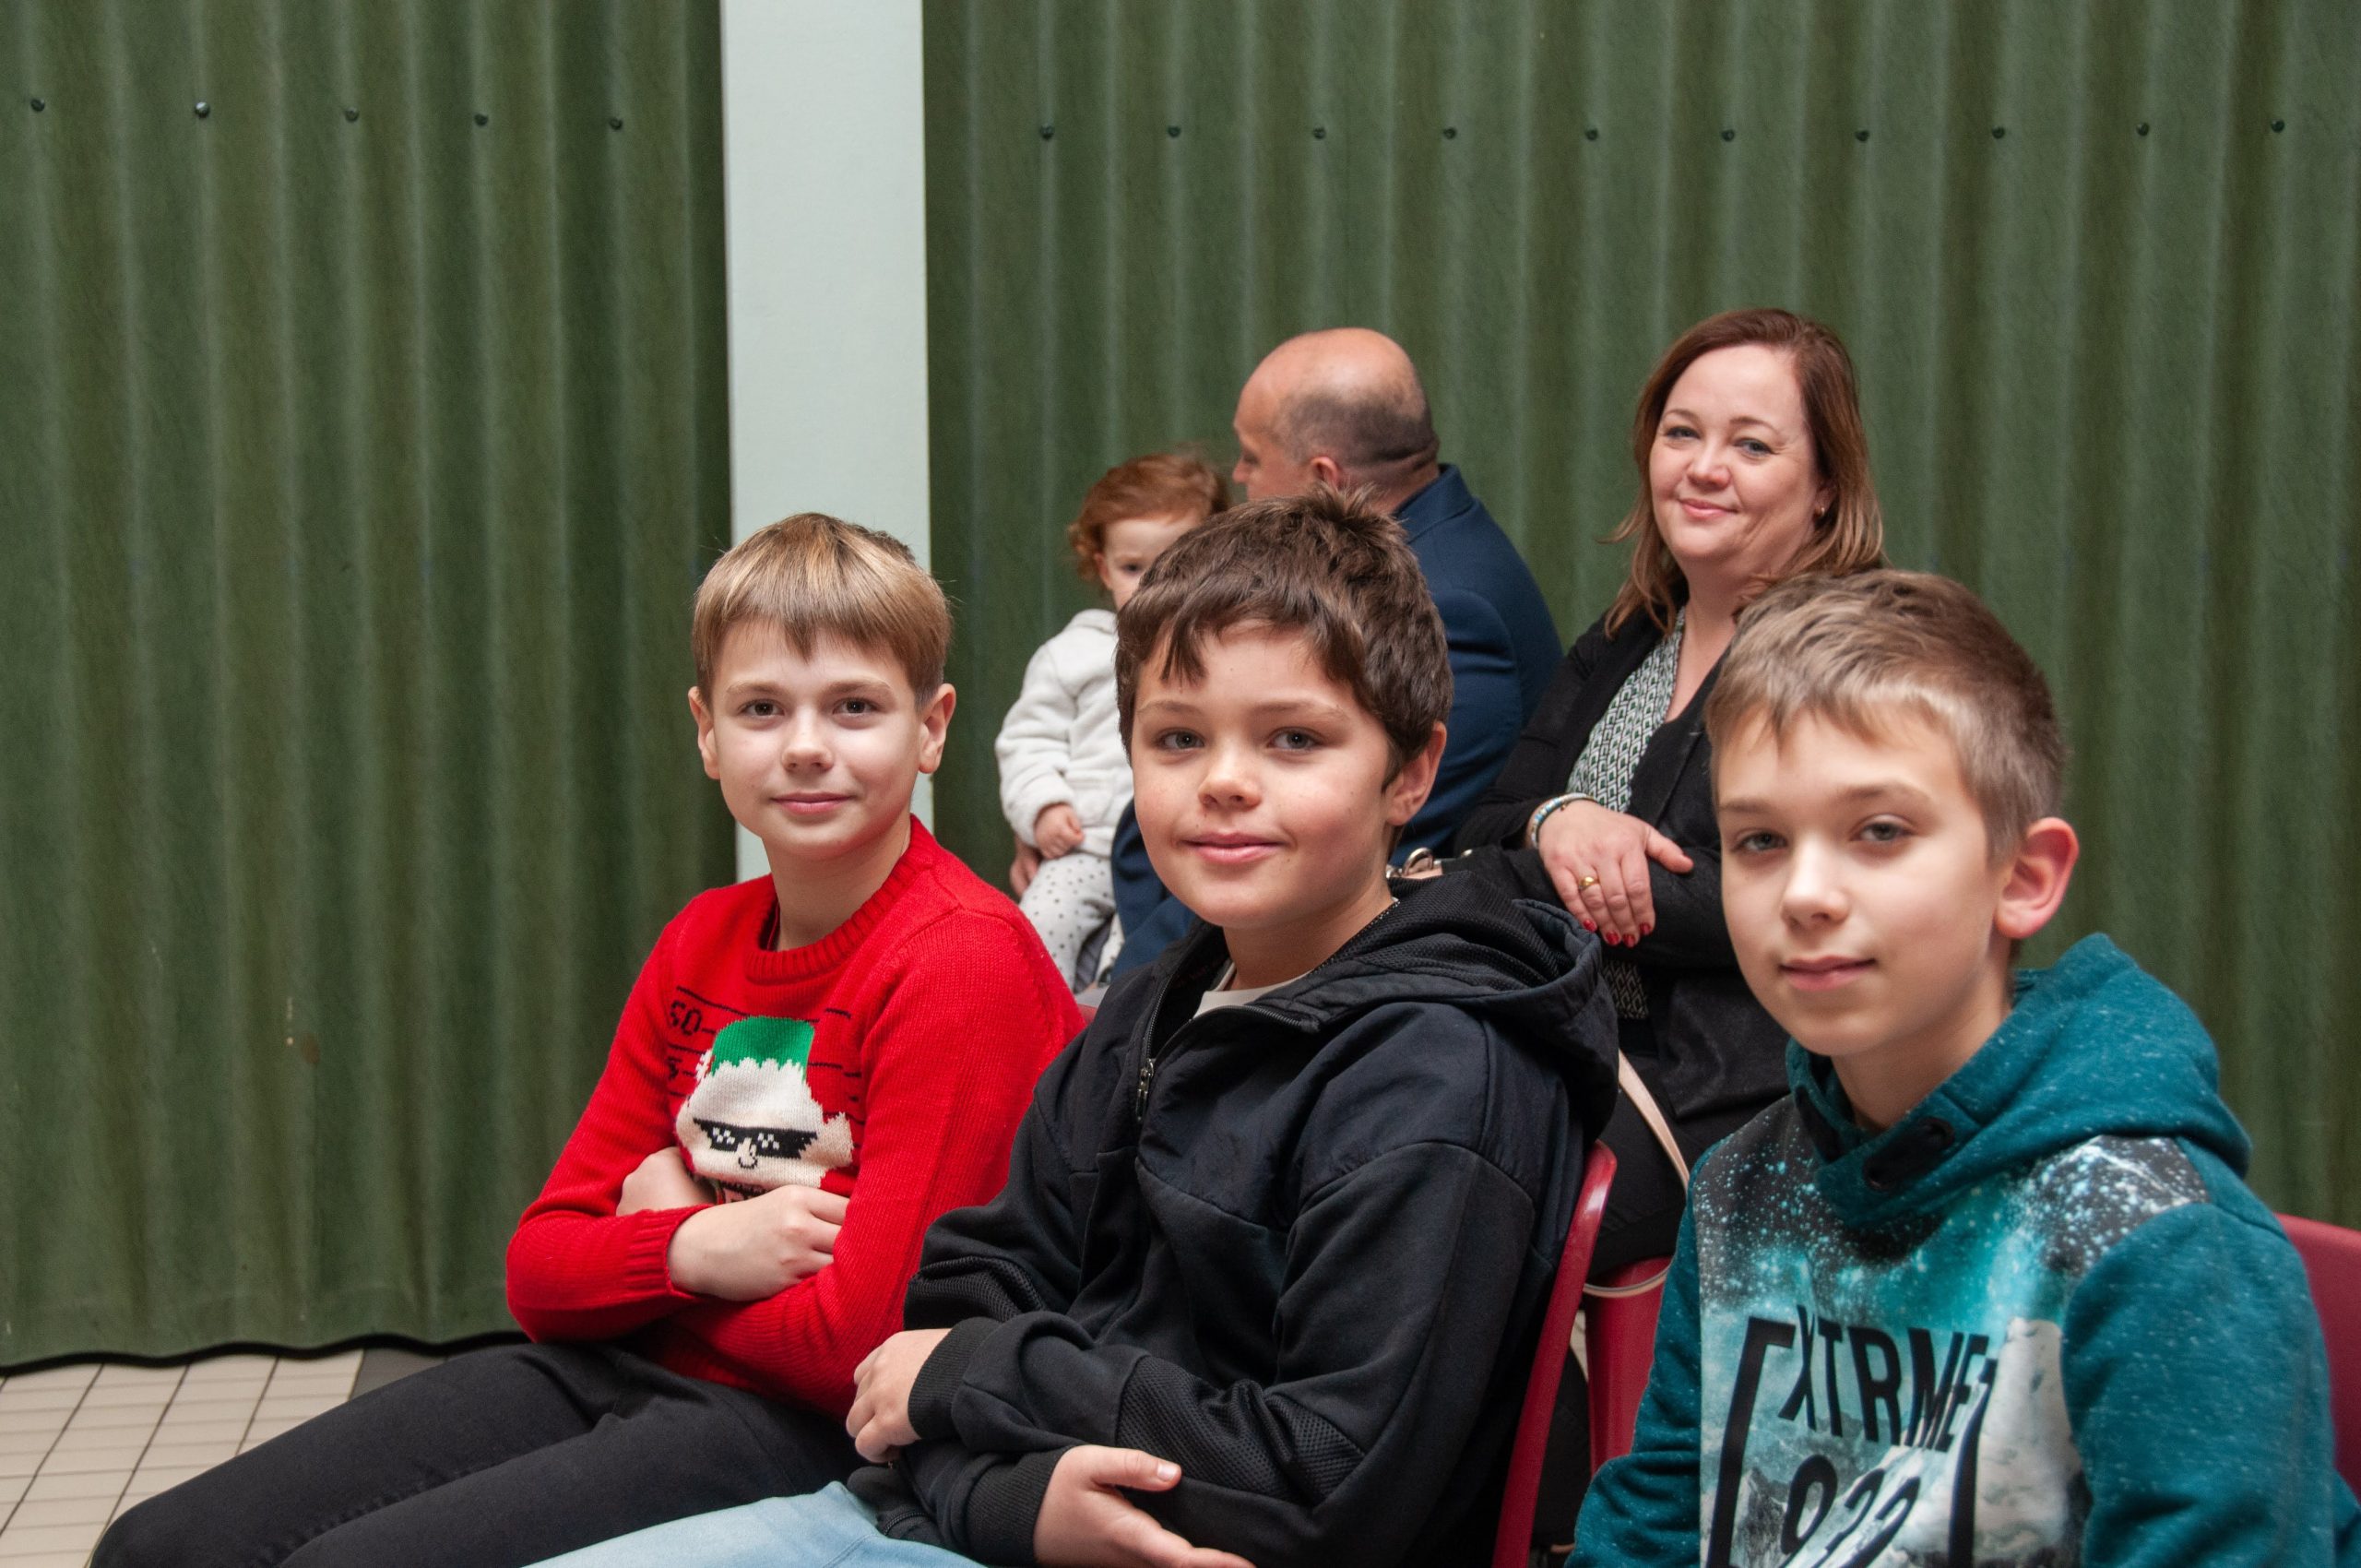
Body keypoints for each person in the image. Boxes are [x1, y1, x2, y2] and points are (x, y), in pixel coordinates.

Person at [532, 488, 1619, 1568]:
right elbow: (939, 1329)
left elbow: (1322, 1485)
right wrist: (1009, 1493)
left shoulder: (1439, 1071)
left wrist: (981, 1394)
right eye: (1178, 737)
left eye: (1293, 739)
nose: (1224, 781)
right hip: (961, 1510)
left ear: (1411, 772)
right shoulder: (1149, 1007)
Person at [98, 516, 1083, 1568]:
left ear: (930, 729)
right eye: (761, 708)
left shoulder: (963, 959)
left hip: (809, 1429)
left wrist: (654, 1241)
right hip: (621, 1364)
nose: (806, 745)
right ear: (707, 732)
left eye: (854, 706)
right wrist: (692, 1250)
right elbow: (538, 1270)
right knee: (156, 1546)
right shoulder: (700, 938)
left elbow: (858, 1351)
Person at [1575, 569, 2361, 1567]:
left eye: (1880, 831)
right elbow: (1652, 1525)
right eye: (1760, 840)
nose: (1806, 893)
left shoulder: (2158, 1241)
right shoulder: (1739, 1191)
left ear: (2022, 878)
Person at [1455, 307, 1886, 1278]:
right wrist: (1558, 820)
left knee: (1463, 1209)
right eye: (1682, 432)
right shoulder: (1628, 637)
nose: (1703, 467)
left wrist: (1582, 877)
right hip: (1571, 1043)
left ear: (1825, 486)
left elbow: (1800, 895)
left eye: (1752, 445)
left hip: (1746, 1097)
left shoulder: (1851, 660)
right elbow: (1483, 830)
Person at [1108, 326, 1561, 976]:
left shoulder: (1448, 606)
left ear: (1323, 479)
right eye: (1181, 738)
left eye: (1251, 457)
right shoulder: (1441, 546)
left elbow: (1339, 856)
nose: (1237, 475)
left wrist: (1129, 987)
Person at [998, 452, 1226, 986]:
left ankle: (1110, 1010)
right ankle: (1037, 1014)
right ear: (1103, 568)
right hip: (1082, 846)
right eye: (1132, 568)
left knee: (1144, 951)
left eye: (1175, 564)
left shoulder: (1219, 653)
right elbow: (1028, 742)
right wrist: (1043, 807)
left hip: (1166, 857)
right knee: (1037, 926)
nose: (1154, 584)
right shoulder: (1072, 654)